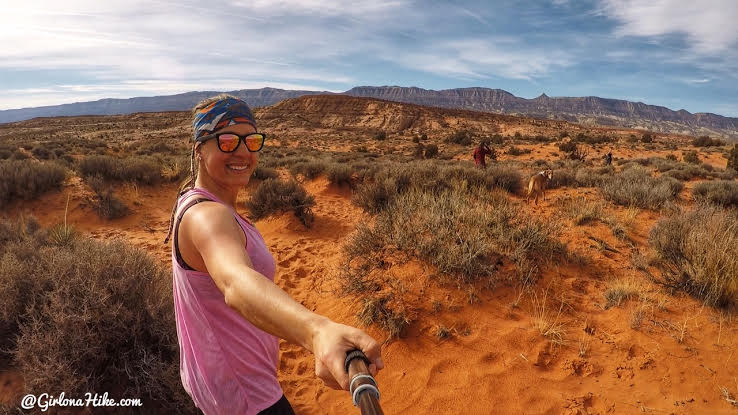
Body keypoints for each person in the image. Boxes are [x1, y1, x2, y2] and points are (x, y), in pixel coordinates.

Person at [163, 94, 383, 415]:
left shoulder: (200, 202)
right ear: (199, 148)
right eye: (227, 141)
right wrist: (317, 332)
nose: (242, 151)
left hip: (227, 386)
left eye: (251, 141)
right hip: (246, 395)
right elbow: (235, 281)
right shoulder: (206, 216)